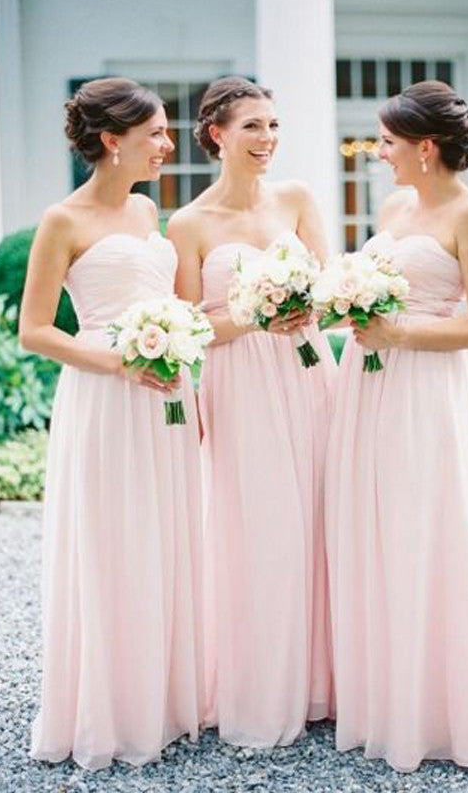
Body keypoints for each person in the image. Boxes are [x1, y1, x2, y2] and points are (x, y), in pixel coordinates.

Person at [325, 81, 468, 772]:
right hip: (366, 387)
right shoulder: (399, 206)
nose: (380, 154)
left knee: (420, 529)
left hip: (424, 389)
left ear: (426, 149)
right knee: (369, 526)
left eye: (389, 143)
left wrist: (397, 331)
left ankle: (434, 711)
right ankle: (381, 699)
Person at [21, 78, 204, 770]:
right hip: (105, 394)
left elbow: (167, 299)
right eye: (155, 133)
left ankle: (158, 700)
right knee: (111, 542)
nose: (165, 144)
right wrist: (120, 361)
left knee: (164, 535)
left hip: (167, 396)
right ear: (111, 140)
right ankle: (104, 709)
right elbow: (35, 330)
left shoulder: (146, 211)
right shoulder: (61, 221)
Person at [167, 76, 335, 747]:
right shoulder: (188, 223)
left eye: (273, 125)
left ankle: (325, 683)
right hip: (238, 384)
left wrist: (305, 306)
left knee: (321, 518)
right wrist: (253, 311)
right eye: (253, 127)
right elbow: (188, 325)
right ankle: (266, 687)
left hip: (308, 370)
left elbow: (330, 286)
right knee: (258, 528)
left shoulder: (297, 199)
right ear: (216, 134)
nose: (268, 139)